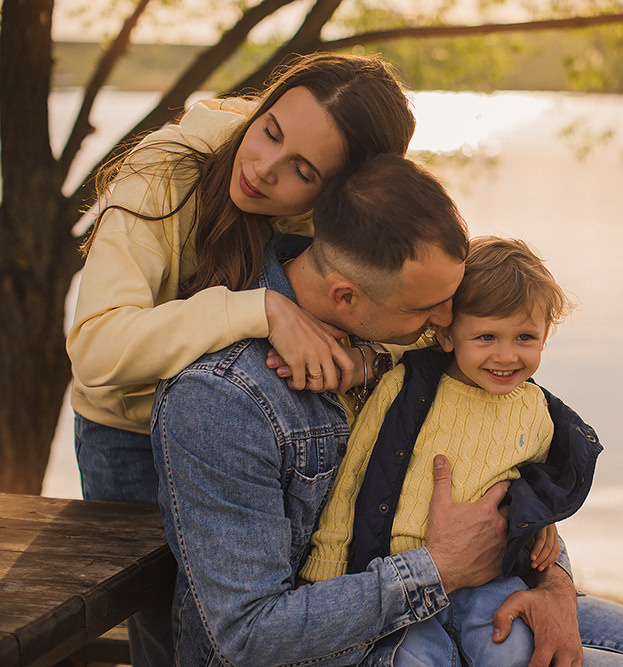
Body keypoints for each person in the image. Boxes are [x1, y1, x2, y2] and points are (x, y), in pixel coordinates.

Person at [151, 155, 623, 665]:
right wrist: (440, 568)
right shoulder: (225, 400)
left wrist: (554, 580)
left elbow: (495, 451)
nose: (445, 322)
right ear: (346, 297)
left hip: (440, 587)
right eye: (426, 310)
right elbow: (248, 635)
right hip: (335, 635)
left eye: (451, 301)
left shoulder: (390, 331)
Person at [66, 53, 415, 664]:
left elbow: (423, 301)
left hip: (264, 437)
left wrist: (368, 354)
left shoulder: (346, 214)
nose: (262, 168)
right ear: (266, 105)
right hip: (130, 438)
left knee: (256, 626)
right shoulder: (163, 172)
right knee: (167, 638)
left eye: (301, 170)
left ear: (341, 189)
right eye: (270, 131)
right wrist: (261, 310)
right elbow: (97, 348)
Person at [300, 235, 596, 666]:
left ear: (546, 335)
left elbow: (533, 480)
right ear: (447, 333)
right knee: (416, 660)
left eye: (525, 337)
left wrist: (539, 521)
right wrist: (326, 568)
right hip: (404, 577)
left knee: (513, 653)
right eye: (487, 336)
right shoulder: (405, 390)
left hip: (491, 579)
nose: (507, 355)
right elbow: (353, 479)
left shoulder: (535, 409)